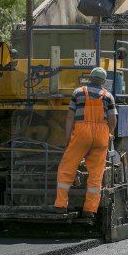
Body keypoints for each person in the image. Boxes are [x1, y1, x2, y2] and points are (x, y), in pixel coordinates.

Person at [51, 67, 117, 218]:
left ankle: (61, 205)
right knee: (96, 175)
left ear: (90, 78)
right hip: (101, 134)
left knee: (66, 168)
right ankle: (89, 210)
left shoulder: (78, 92)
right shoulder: (108, 96)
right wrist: (109, 133)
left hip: (81, 133)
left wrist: (68, 138)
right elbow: (113, 119)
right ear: (104, 81)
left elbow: (70, 117)